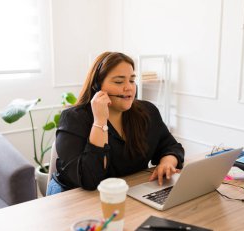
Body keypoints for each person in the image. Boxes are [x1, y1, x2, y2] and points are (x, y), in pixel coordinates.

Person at [46, 52, 184, 195]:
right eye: (119, 82)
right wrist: (100, 121)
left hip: (126, 191)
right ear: (97, 86)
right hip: (73, 195)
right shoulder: (74, 119)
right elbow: (90, 180)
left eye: (131, 80)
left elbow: (171, 146)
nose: (129, 87)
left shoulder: (147, 111)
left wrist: (167, 162)